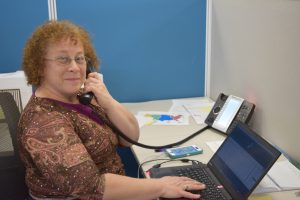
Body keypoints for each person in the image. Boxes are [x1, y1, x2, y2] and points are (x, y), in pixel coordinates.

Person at [18, 20, 206, 200]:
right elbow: (92, 187)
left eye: (80, 59)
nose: (75, 67)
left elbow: (129, 137)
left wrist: (107, 100)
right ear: (40, 66)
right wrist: (161, 186)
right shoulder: (43, 122)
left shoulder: (82, 96)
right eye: (63, 59)